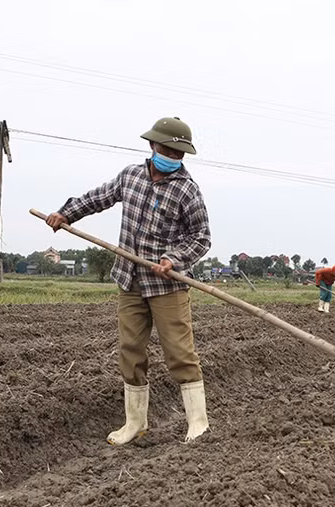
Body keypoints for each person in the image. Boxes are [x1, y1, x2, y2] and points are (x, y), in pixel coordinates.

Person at [45, 117, 211, 444]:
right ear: (153, 147)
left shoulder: (187, 191)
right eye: (168, 149)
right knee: (131, 352)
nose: (173, 156)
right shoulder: (131, 177)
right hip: (130, 279)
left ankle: (199, 422)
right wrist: (66, 214)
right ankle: (135, 423)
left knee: (179, 352)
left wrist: (173, 259)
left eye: (179, 152)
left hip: (167, 286)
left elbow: (201, 238)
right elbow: (98, 198)